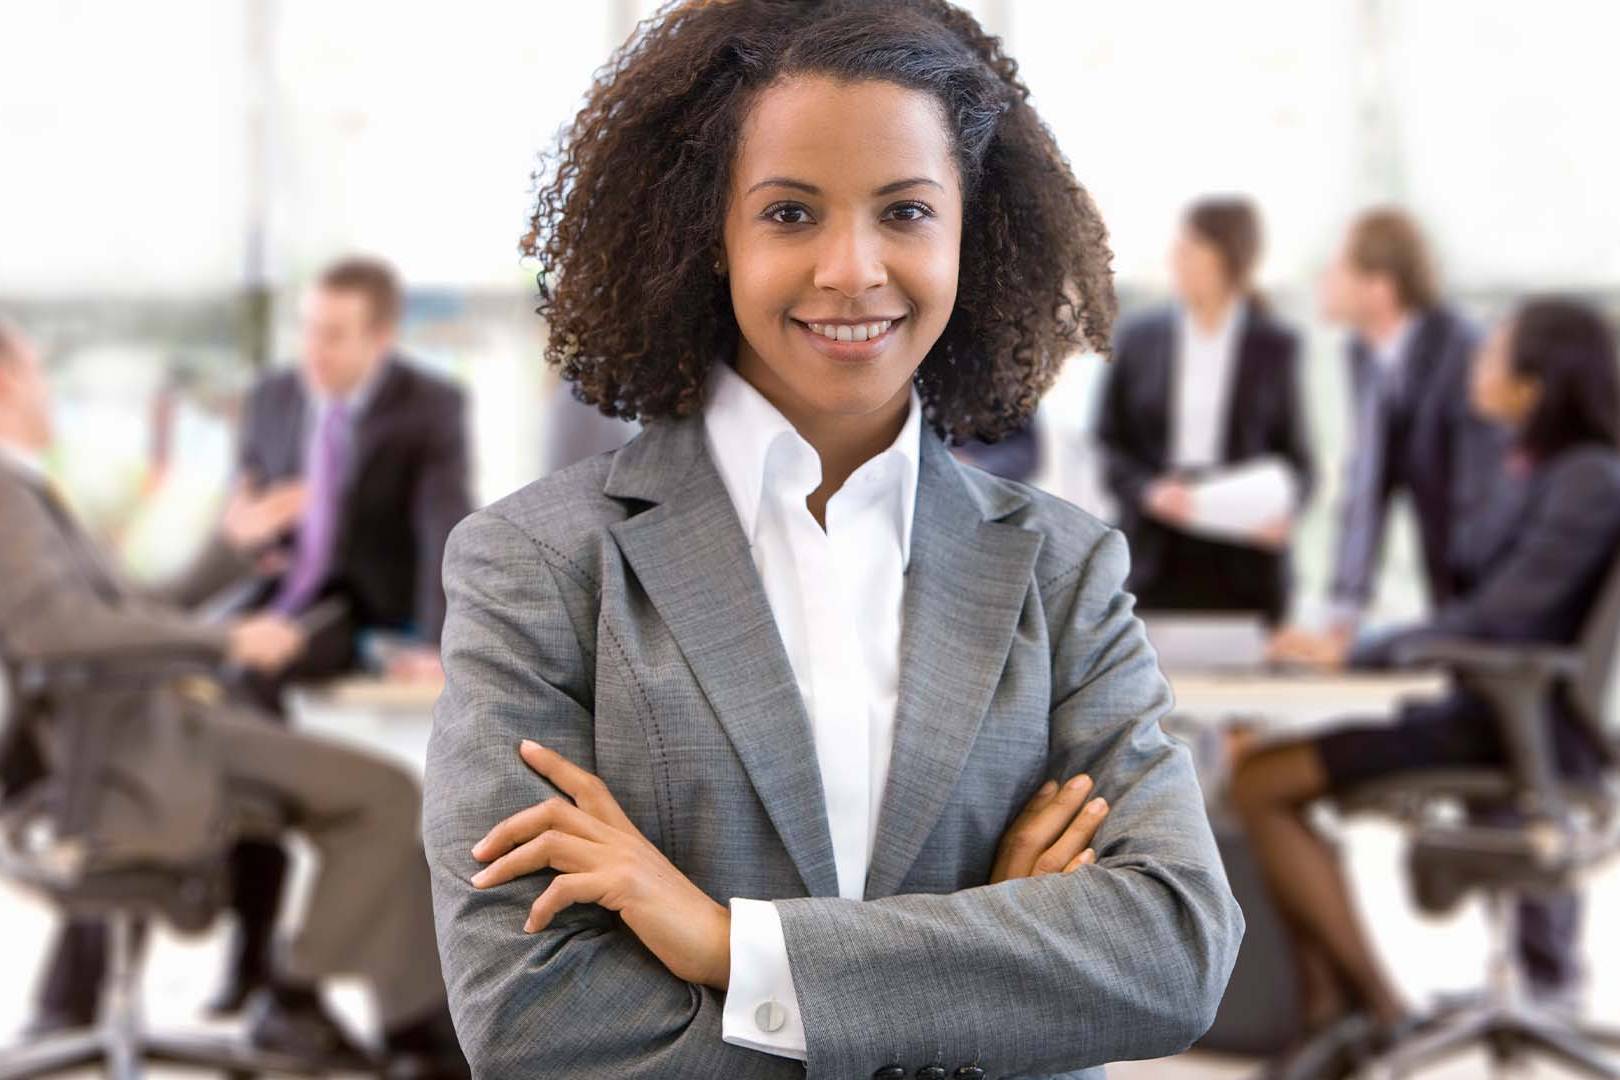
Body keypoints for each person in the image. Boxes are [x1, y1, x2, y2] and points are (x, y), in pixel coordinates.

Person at [423, 3, 1244, 1078]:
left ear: (968, 231)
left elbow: (1174, 950)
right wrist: (982, 987)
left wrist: (734, 949)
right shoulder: (540, 565)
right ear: (707, 235)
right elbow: (531, 1019)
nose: (853, 269)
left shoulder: (1063, 569)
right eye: (790, 214)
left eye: (905, 211)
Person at [0, 320, 468, 1078]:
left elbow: (135, 608)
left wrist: (229, 547)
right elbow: (56, 627)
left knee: (362, 795)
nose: (48, 388)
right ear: (7, 382)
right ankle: (301, 999)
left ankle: (398, 1019)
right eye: (38, 371)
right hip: (135, 751)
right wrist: (229, 644)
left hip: (140, 735)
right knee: (382, 794)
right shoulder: (6, 493)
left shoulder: (26, 493)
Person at [1231, 298, 1620, 1068]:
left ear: (1536, 382)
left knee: (1261, 780)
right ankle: (1331, 1014)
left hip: (1514, 730)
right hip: (1495, 716)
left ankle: (1377, 1007)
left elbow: (1496, 620)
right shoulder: (1549, 470)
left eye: (1494, 354)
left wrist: (1355, 653)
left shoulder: (1588, 480)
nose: (1477, 366)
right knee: (1257, 775)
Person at [149, 255, 476, 1016]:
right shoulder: (271, 396)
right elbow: (248, 507)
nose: (315, 354)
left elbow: (443, 523)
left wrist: (439, 637)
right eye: (308, 333)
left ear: (381, 336)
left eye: (334, 337)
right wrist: (252, 535)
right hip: (272, 589)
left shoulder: (427, 406)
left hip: (350, 604)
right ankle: (252, 952)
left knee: (252, 702)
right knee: (210, 692)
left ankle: (263, 956)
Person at [1096, 197, 1314, 626]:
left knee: (1249, 688)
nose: (1176, 257)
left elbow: (1299, 463)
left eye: (1190, 246)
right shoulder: (1138, 338)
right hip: (1157, 550)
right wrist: (1149, 491)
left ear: (1228, 257)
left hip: (1245, 555)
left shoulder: (1276, 345)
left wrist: (1285, 513)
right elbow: (1108, 444)